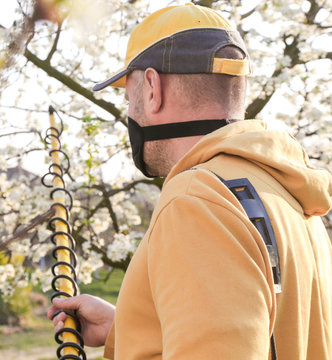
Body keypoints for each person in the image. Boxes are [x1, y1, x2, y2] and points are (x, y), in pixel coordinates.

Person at [48, 4, 332, 359]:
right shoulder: (290, 195)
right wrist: (132, 328)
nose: (129, 114)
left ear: (152, 88)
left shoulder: (196, 200)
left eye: (128, 98)